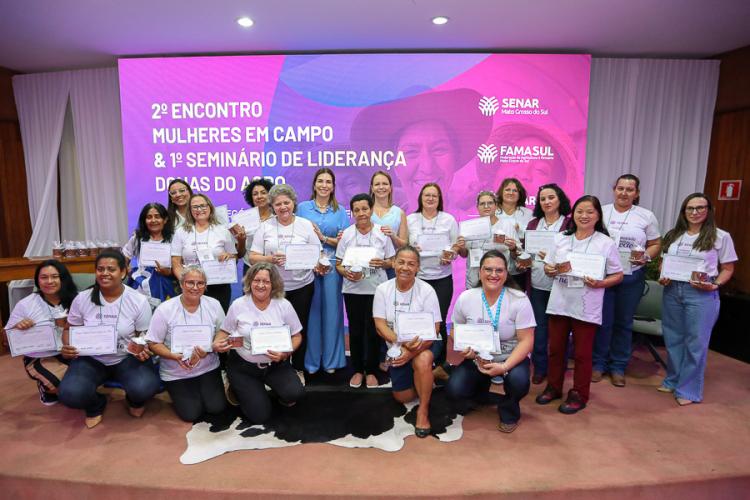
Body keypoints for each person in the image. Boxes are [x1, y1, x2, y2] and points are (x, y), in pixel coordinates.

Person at [536, 195, 623, 414]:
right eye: (579, 211)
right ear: (572, 214)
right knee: (555, 349)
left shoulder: (606, 243)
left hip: (587, 304)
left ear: (598, 216)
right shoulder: (561, 239)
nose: (584, 216)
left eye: (590, 212)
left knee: (583, 354)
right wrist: (552, 269)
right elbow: (548, 267)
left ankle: (579, 394)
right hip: (560, 301)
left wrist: (602, 282)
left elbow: (618, 275)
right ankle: (554, 387)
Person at [349, 88, 493, 215]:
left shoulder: (473, 229)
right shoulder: (380, 233)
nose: (427, 167)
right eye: (411, 152)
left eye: (439, 150)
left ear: (455, 158)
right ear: (393, 164)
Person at [58, 250, 159, 429]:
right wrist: (67, 345)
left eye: (111, 269)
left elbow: (144, 334)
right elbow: (69, 329)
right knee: (69, 394)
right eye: (100, 269)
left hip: (125, 357)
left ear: (123, 272)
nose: (104, 273)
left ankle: (134, 401)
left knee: (145, 388)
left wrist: (141, 347)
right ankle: (96, 404)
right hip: (91, 359)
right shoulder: (82, 299)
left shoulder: (137, 300)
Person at [658, 193, 737, 405]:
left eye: (700, 208)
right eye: (690, 208)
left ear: (709, 210)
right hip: (672, 290)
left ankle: (688, 390)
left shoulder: (721, 236)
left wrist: (716, 284)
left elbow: (728, 268)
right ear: (683, 212)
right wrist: (663, 275)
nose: (695, 212)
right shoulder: (674, 234)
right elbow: (665, 262)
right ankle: (673, 379)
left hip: (701, 293)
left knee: (696, 342)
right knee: (673, 338)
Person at [446, 250, 535, 433]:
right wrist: (466, 348)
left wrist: (503, 367)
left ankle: (509, 409)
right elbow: (456, 329)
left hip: (509, 357)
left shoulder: (519, 299)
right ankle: (481, 395)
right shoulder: (467, 297)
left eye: (499, 270)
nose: (493, 275)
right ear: (479, 272)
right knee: (455, 389)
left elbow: (527, 340)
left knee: (519, 381)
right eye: (488, 269)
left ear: (506, 273)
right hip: (477, 357)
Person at [213, 263, 305, 424]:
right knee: (260, 416)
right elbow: (224, 332)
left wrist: (286, 353)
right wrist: (217, 343)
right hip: (244, 367)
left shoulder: (284, 305)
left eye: (266, 281)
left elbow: (297, 336)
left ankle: (267, 388)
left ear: (273, 284)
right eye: (256, 280)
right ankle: (235, 385)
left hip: (275, 366)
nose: (261, 285)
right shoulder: (238, 304)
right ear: (249, 282)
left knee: (294, 394)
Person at [593, 174, 661, 387]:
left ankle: (618, 366)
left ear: (637, 193)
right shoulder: (601, 212)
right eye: (620, 188)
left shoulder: (645, 216)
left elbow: (655, 243)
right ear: (614, 189)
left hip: (631, 276)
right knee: (602, 321)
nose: (624, 193)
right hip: (603, 275)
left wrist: (646, 257)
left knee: (623, 322)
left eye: (629, 189)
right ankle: (598, 364)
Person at [249, 184, 323, 380]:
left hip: (302, 286)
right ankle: (274, 369)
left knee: (299, 328)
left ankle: (298, 368)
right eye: (278, 204)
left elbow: (318, 254)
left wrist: (319, 264)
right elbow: (252, 257)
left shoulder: (305, 225)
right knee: (273, 327)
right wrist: (271, 259)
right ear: (272, 206)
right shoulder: (265, 227)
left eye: (286, 202)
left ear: (293, 203)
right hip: (273, 289)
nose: (283, 207)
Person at [373, 246, 442, 438]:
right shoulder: (382, 289)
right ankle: (431, 374)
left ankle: (423, 411)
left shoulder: (427, 291)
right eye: (401, 262)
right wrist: (401, 344)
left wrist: (411, 353)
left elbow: (435, 329)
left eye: (411, 264)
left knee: (422, 359)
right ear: (393, 263)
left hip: (426, 342)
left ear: (418, 268)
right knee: (401, 397)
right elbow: (380, 325)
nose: (405, 267)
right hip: (397, 345)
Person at [146, 265, 227, 422]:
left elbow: (222, 333)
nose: (195, 287)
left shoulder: (214, 305)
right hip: (176, 371)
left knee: (216, 408)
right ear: (181, 284)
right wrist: (172, 355)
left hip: (207, 367)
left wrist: (210, 348)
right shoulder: (165, 309)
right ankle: (181, 391)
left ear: (206, 285)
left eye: (200, 283)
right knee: (192, 414)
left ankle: (214, 384)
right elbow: (153, 343)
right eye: (190, 283)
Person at [336, 193, 395, 388]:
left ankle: (371, 371)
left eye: (365, 209)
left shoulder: (382, 233)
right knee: (355, 330)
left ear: (371, 209)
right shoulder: (346, 234)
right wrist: (345, 273)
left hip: (377, 290)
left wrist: (384, 262)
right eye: (357, 210)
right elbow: (338, 263)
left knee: (373, 331)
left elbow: (392, 261)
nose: (361, 213)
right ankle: (357, 370)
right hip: (353, 289)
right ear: (352, 212)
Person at [297, 168, 349, 375]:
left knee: (332, 313)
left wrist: (323, 238)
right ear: (314, 184)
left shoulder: (341, 211)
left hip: (333, 266)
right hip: (308, 265)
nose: (324, 185)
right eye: (321, 181)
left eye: (328, 181)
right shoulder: (302, 208)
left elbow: (344, 242)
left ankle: (331, 360)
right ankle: (310, 362)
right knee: (311, 312)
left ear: (333, 186)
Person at [4, 260, 77, 405]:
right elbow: (6, 339)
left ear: (63, 278)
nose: (49, 281)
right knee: (67, 390)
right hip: (41, 356)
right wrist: (18, 327)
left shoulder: (77, 299)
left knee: (87, 380)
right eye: (44, 277)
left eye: (55, 276)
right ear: (37, 280)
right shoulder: (26, 304)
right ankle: (47, 388)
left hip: (71, 351)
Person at [519, 184, 572, 384]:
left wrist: (552, 256)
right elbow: (526, 251)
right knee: (539, 330)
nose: (547, 202)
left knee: (560, 330)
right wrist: (521, 257)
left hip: (561, 287)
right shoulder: (533, 224)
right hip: (537, 285)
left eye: (551, 197)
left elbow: (572, 254)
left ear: (560, 200)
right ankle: (540, 368)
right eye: (543, 199)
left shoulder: (568, 224)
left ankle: (558, 367)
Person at [406, 183, 458, 380]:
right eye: (426, 195)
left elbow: (455, 248)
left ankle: (440, 365)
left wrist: (450, 255)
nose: (430, 198)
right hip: (417, 280)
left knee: (439, 321)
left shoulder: (448, 220)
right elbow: (405, 248)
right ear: (420, 198)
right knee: (417, 321)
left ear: (439, 199)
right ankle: (418, 359)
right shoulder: (411, 219)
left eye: (434, 196)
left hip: (442, 278)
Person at [171, 193, 238, 312]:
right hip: (191, 287)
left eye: (203, 205)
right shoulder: (181, 232)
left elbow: (234, 257)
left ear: (210, 207)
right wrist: (186, 282)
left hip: (219, 286)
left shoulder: (222, 230)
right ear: (190, 210)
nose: (199, 209)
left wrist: (230, 256)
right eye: (195, 207)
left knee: (218, 323)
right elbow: (176, 263)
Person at [122, 202, 179, 306]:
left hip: (167, 281)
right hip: (141, 282)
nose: (153, 220)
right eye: (149, 217)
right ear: (144, 220)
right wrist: (126, 268)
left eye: (157, 217)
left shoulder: (174, 238)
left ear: (165, 219)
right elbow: (124, 256)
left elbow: (180, 264)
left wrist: (168, 272)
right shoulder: (137, 238)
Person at [456, 191, 509, 289]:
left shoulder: (507, 226)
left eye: (490, 203)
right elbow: (464, 254)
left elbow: (516, 252)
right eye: (482, 204)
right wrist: (461, 247)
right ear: (477, 207)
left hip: (498, 281)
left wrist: (513, 247)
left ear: (496, 205)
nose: (486, 206)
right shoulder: (468, 227)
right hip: (474, 282)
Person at [496, 178, 534, 290]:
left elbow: (532, 239)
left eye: (515, 190)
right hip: (496, 266)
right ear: (501, 192)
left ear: (520, 194)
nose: (511, 193)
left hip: (519, 267)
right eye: (507, 189)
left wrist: (519, 230)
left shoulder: (528, 213)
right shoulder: (493, 212)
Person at [235, 178, 274, 276]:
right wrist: (241, 240)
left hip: (276, 267)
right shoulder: (243, 220)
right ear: (251, 198)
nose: (259, 196)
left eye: (263, 192)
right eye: (255, 194)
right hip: (251, 268)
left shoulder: (279, 217)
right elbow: (240, 254)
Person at [370, 170, 408, 255]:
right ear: (372, 188)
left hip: (392, 265)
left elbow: (404, 245)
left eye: (385, 184)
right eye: (377, 184)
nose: (381, 187)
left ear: (390, 188)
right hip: (369, 263)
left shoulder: (400, 213)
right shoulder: (365, 212)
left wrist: (393, 236)